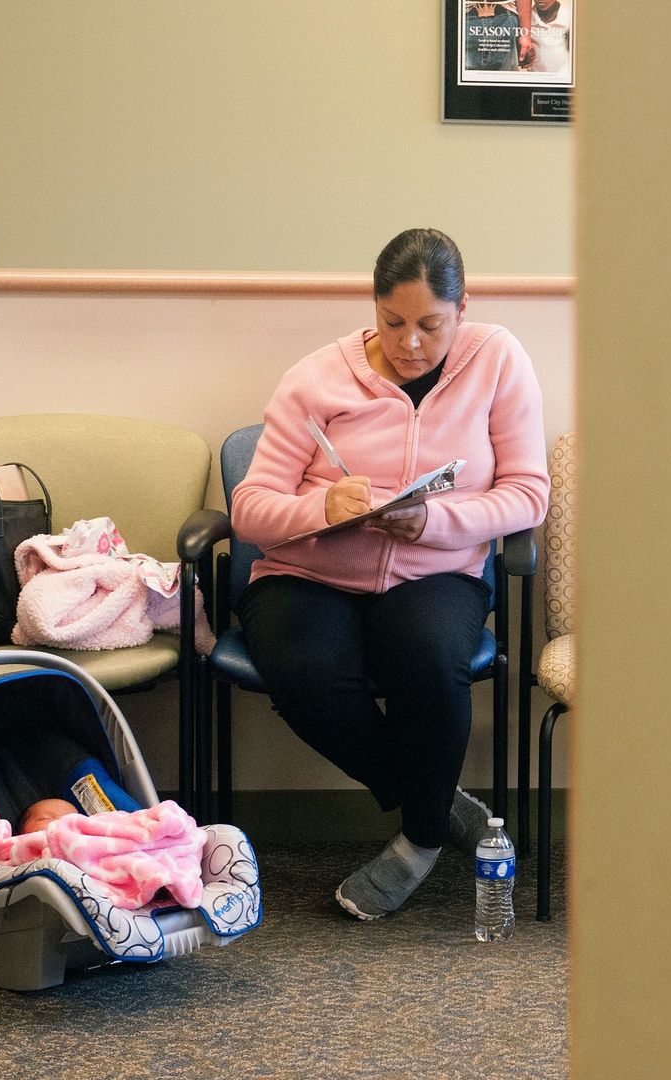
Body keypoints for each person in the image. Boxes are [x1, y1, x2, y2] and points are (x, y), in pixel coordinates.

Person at [231, 228, 548, 919]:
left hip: (435, 571)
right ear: (372, 310)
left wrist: (431, 522)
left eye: (430, 326)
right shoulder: (316, 378)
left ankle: (418, 841)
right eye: (393, 323)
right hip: (308, 573)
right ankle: (433, 802)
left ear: (463, 309)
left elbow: (529, 494)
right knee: (303, 671)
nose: (410, 344)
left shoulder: (497, 360)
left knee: (431, 660)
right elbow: (250, 508)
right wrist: (322, 508)